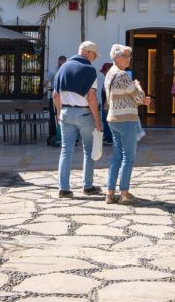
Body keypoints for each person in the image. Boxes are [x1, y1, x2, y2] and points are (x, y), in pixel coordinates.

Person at [53, 41, 103, 197]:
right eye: (94, 55)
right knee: (88, 150)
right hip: (84, 114)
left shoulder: (63, 68)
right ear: (88, 52)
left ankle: (64, 188)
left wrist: (59, 114)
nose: (94, 59)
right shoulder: (89, 70)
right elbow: (92, 97)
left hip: (66, 113)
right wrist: (98, 120)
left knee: (65, 151)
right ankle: (87, 186)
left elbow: (55, 95)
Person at [104, 44, 151, 204]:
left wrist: (141, 100)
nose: (129, 58)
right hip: (126, 120)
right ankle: (124, 193)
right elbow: (137, 97)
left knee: (117, 156)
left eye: (129, 56)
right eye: (126, 56)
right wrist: (138, 85)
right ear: (116, 57)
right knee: (128, 157)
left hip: (113, 119)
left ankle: (110, 193)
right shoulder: (122, 75)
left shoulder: (109, 73)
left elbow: (123, 98)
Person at [45, 55, 66, 147]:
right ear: (58, 62)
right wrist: (48, 87)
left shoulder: (66, 70)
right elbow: (45, 81)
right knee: (55, 117)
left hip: (65, 97)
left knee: (63, 117)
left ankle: (63, 136)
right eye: (60, 63)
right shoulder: (54, 70)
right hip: (56, 96)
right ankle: (56, 135)